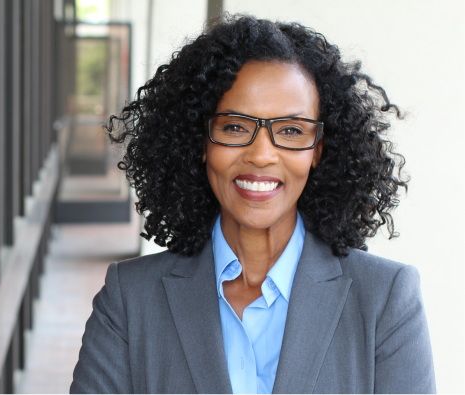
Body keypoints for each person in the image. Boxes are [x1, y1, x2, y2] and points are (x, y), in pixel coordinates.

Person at [70, 14, 435, 395]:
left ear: (318, 150)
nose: (261, 155)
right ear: (201, 142)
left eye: (291, 131)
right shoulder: (129, 299)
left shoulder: (385, 299)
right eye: (234, 127)